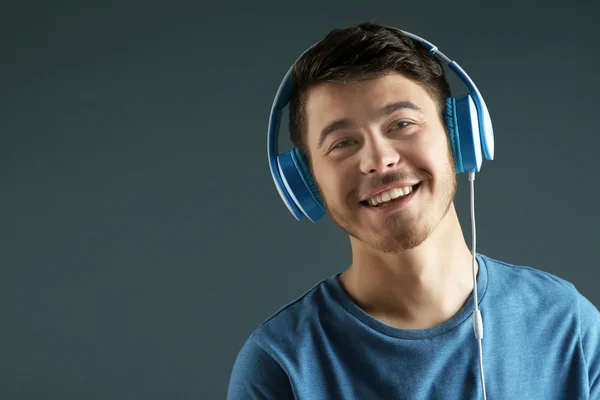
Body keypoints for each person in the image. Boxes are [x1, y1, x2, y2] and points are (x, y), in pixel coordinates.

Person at [227, 22, 600, 399]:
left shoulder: (567, 325)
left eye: (402, 123)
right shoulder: (279, 365)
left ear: (459, 137)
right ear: (308, 183)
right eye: (342, 143)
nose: (379, 160)